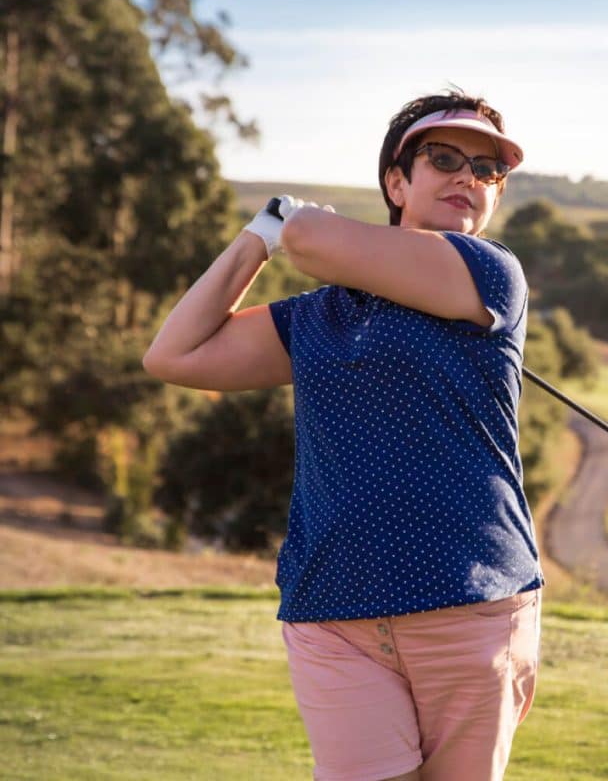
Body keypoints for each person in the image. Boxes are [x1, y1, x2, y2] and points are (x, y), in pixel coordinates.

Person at [143, 90, 544, 781]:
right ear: (396, 180)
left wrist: (292, 227)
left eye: (487, 170)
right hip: (333, 608)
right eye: (443, 158)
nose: (467, 178)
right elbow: (173, 354)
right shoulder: (316, 319)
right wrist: (257, 239)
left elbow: (314, 241)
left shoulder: (489, 275)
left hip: (470, 604)